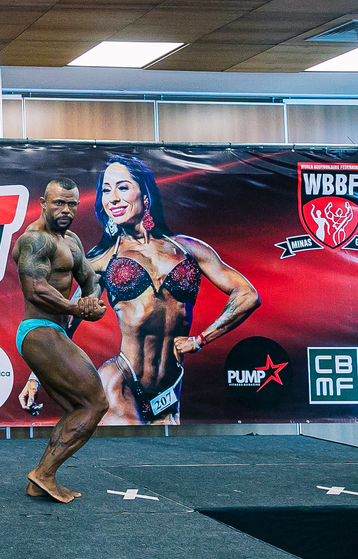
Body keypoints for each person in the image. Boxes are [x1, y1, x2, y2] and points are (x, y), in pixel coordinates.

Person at [85, 155, 260, 425]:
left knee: (163, 452)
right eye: (106, 191)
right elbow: (65, 320)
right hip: (121, 380)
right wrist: (35, 379)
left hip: (169, 389)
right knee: (135, 446)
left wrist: (200, 339)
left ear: (145, 195)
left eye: (123, 187)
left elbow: (248, 294)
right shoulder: (102, 259)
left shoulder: (188, 248)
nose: (113, 198)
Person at [11, 177, 108, 503]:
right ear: (43, 203)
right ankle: (44, 473)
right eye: (58, 203)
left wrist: (91, 301)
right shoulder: (34, 240)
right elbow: (35, 289)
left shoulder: (72, 241)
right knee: (96, 403)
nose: (66, 210)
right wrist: (75, 308)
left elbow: (90, 278)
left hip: (55, 331)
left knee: (78, 408)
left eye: (72, 204)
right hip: (38, 329)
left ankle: (41, 479)